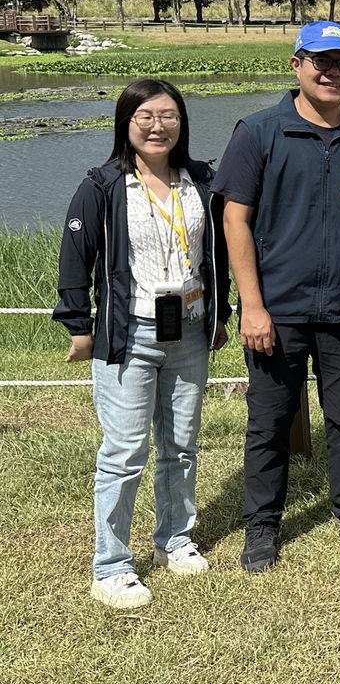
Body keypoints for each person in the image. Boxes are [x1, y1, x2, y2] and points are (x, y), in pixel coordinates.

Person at [213, 21, 340, 572]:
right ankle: (263, 525)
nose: (331, 72)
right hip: (278, 309)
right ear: (296, 65)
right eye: (320, 60)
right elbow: (234, 219)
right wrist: (253, 305)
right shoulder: (260, 131)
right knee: (268, 420)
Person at [55, 79, 230, 609]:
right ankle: (110, 565)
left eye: (169, 115)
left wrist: (221, 314)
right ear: (125, 123)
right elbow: (74, 259)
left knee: (181, 444)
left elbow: (217, 255)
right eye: (145, 116)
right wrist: (80, 326)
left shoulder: (200, 180)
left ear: (182, 122)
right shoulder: (103, 185)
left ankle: (175, 540)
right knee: (125, 451)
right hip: (128, 333)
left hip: (191, 331)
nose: (158, 126)